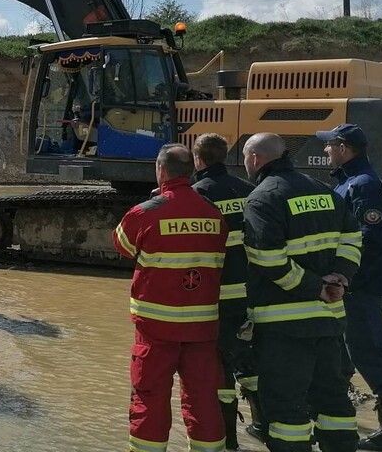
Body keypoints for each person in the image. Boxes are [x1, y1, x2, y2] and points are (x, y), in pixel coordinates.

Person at [242, 132, 363, 452]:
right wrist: (342, 276)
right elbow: (352, 236)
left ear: (255, 159)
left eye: (244, 158)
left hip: (284, 328)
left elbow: (266, 258)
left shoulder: (262, 197)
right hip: (330, 322)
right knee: (334, 401)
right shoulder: (324, 190)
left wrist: (316, 288)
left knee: (286, 408)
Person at [113, 144, 228, 452]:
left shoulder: (145, 212)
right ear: (192, 171)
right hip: (203, 328)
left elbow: (122, 246)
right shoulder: (213, 213)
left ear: (160, 171)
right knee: (204, 398)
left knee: (149, 397)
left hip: (155, 329)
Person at [317, 123, 382, 451]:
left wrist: (346, 279)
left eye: (329, 145)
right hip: (354, 287)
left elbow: (370, 241)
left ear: (344, 148)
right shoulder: (353, 181)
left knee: (370, 351)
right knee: (344, 354)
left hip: (360, 289)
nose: (325, 150)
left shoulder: (363, 185)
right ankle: (336, 422)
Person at [191, 133, 260, 449]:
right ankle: (263, 424)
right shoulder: (252, 192)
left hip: (217, 299)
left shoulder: (197, 196)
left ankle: (229, 439)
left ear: (198, 160)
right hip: (254, 296)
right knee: (252, 362)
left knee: (220, 371)